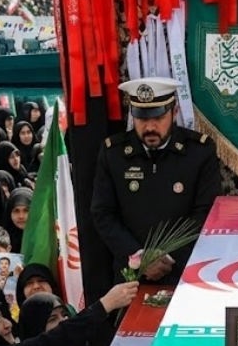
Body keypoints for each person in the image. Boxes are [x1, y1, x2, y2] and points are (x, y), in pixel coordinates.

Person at [92, 77, 222, 284]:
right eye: (142, 119)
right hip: (131, 274)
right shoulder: (114, 154)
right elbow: (103, 213)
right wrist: (139, 256)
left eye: (159, 118)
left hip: (184, 270)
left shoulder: (199, 152)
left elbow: (206, 212)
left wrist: (168, 256)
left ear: (174, 112)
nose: (150, 127)